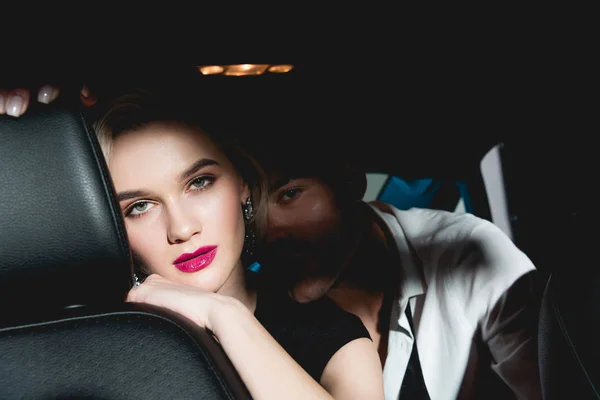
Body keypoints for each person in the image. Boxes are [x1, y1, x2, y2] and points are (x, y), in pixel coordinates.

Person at [0, 85, 384, 400]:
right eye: (140, 206)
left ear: (243, 186)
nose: (181, 229)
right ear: (108, 223)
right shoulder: (88, 338)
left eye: (199, 182)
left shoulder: (335, 338)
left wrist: (225, 316)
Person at [250, 135, 543, 400]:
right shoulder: (253, 313)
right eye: (250, 211)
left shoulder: (467, 254)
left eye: (290, 194)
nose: (270, 232)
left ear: (350, 184)